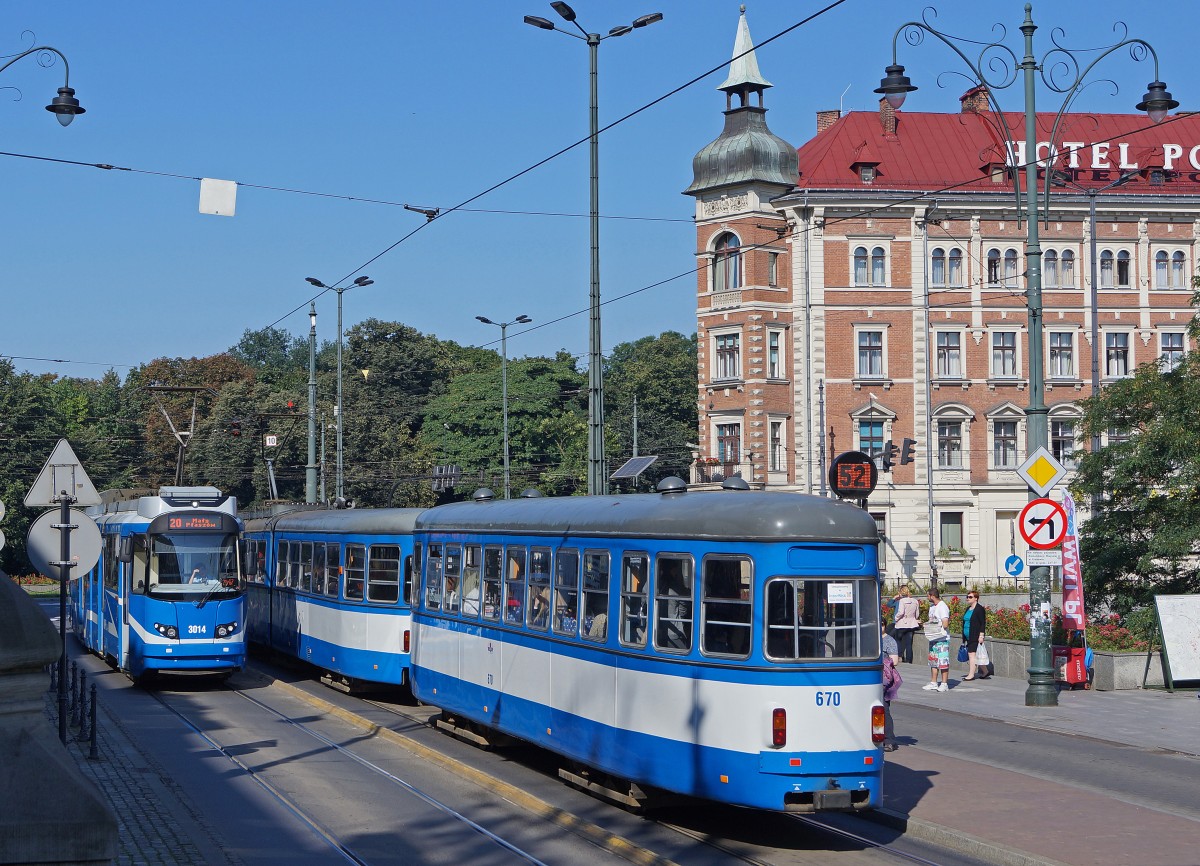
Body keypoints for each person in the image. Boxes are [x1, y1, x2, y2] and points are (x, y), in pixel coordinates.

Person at [922, 587, 952, 692]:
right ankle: (933, 682)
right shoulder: (932, 607)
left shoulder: (942, 607)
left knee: (943, 661)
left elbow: (945, 623)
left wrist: (935, 626)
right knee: (933, 661)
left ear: (932, 596)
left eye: (928, 595)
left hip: (942, 638)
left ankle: (944, 683)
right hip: (933, 637)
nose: (927, 597)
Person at [881, 625, 902, 751]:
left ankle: (889, 740)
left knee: (884, 707)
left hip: (884, 677)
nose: (880, 627)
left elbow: (894, 661)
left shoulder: (889, 640)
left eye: (882, 624)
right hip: (871, 676)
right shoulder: (869, 638)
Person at [961, 591, 988, 680]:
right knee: (977, 654)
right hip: (967, 635)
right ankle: (985, 671)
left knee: (971, 654)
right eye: (967, 597)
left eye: (970, 597)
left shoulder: (979, 609)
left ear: (976, 598)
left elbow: (982, 623)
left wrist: (981, 635)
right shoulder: (968, 609)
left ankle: (971, 674)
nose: (968, 598)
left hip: (975, 635)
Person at [892, 585, 921, 663]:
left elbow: (901, 612)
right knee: (909, 644)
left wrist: (896, 618)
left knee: (898, 640)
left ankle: (900, 656)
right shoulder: (915, 601)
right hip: (912, 624)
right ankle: (909, 660)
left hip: (902, 624)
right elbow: (917, 614)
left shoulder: (902, 601)